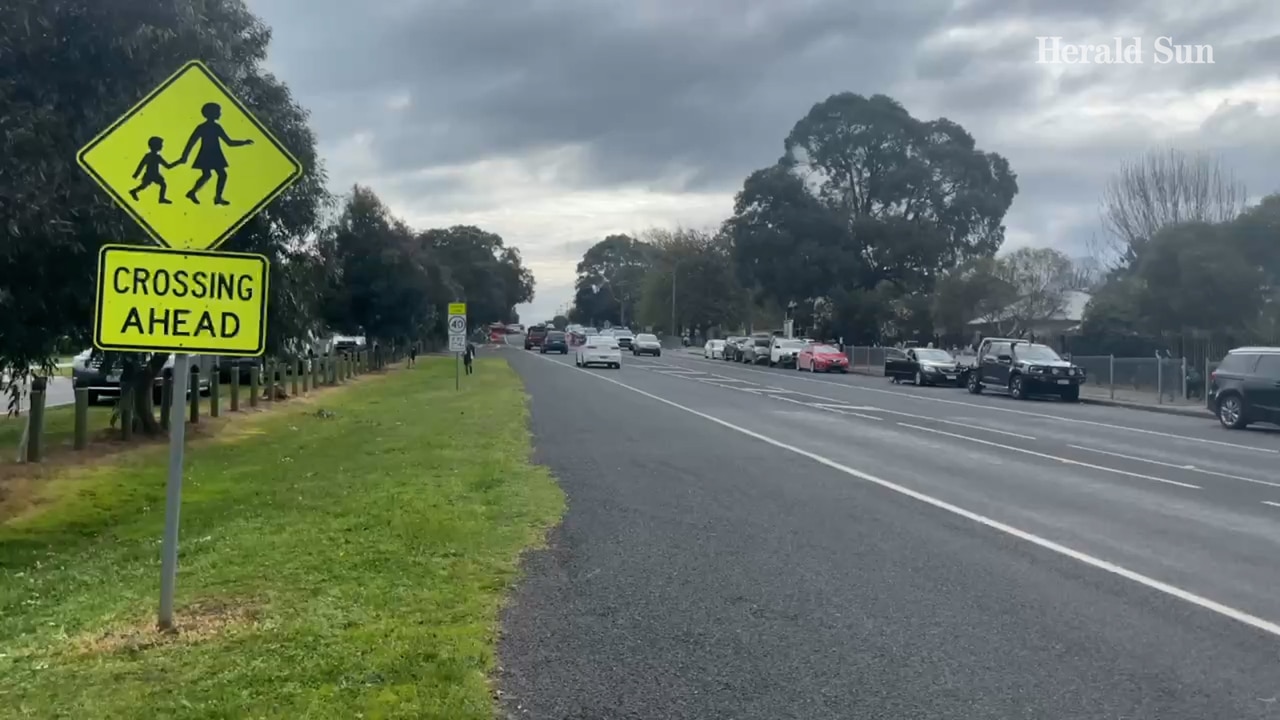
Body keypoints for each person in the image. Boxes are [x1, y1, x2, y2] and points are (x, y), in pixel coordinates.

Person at [179, 101, 254, 206]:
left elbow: (229, 142)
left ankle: (205, 195)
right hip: (208, 154)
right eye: (218, 112)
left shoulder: (216, 127)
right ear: (212, 113)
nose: (220, 114)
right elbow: (191, 142)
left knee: (213, 175)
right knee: (213, 175)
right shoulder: (204, 127)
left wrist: (243, 142)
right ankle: (207, 195)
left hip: (214, 154)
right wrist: (184, 156)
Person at [128, 136, 176, 203]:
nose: (162, 146)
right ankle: (161, 199)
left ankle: (133, 191)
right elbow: (141, 165)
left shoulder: (151, 156)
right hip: (151, 175)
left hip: (152, 174)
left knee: (145, 186)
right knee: (161, 185)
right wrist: (179, 162)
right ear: (156, 146)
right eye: (160, 144)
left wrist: (136, 174)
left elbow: (141, 165)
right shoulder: (155, 157)